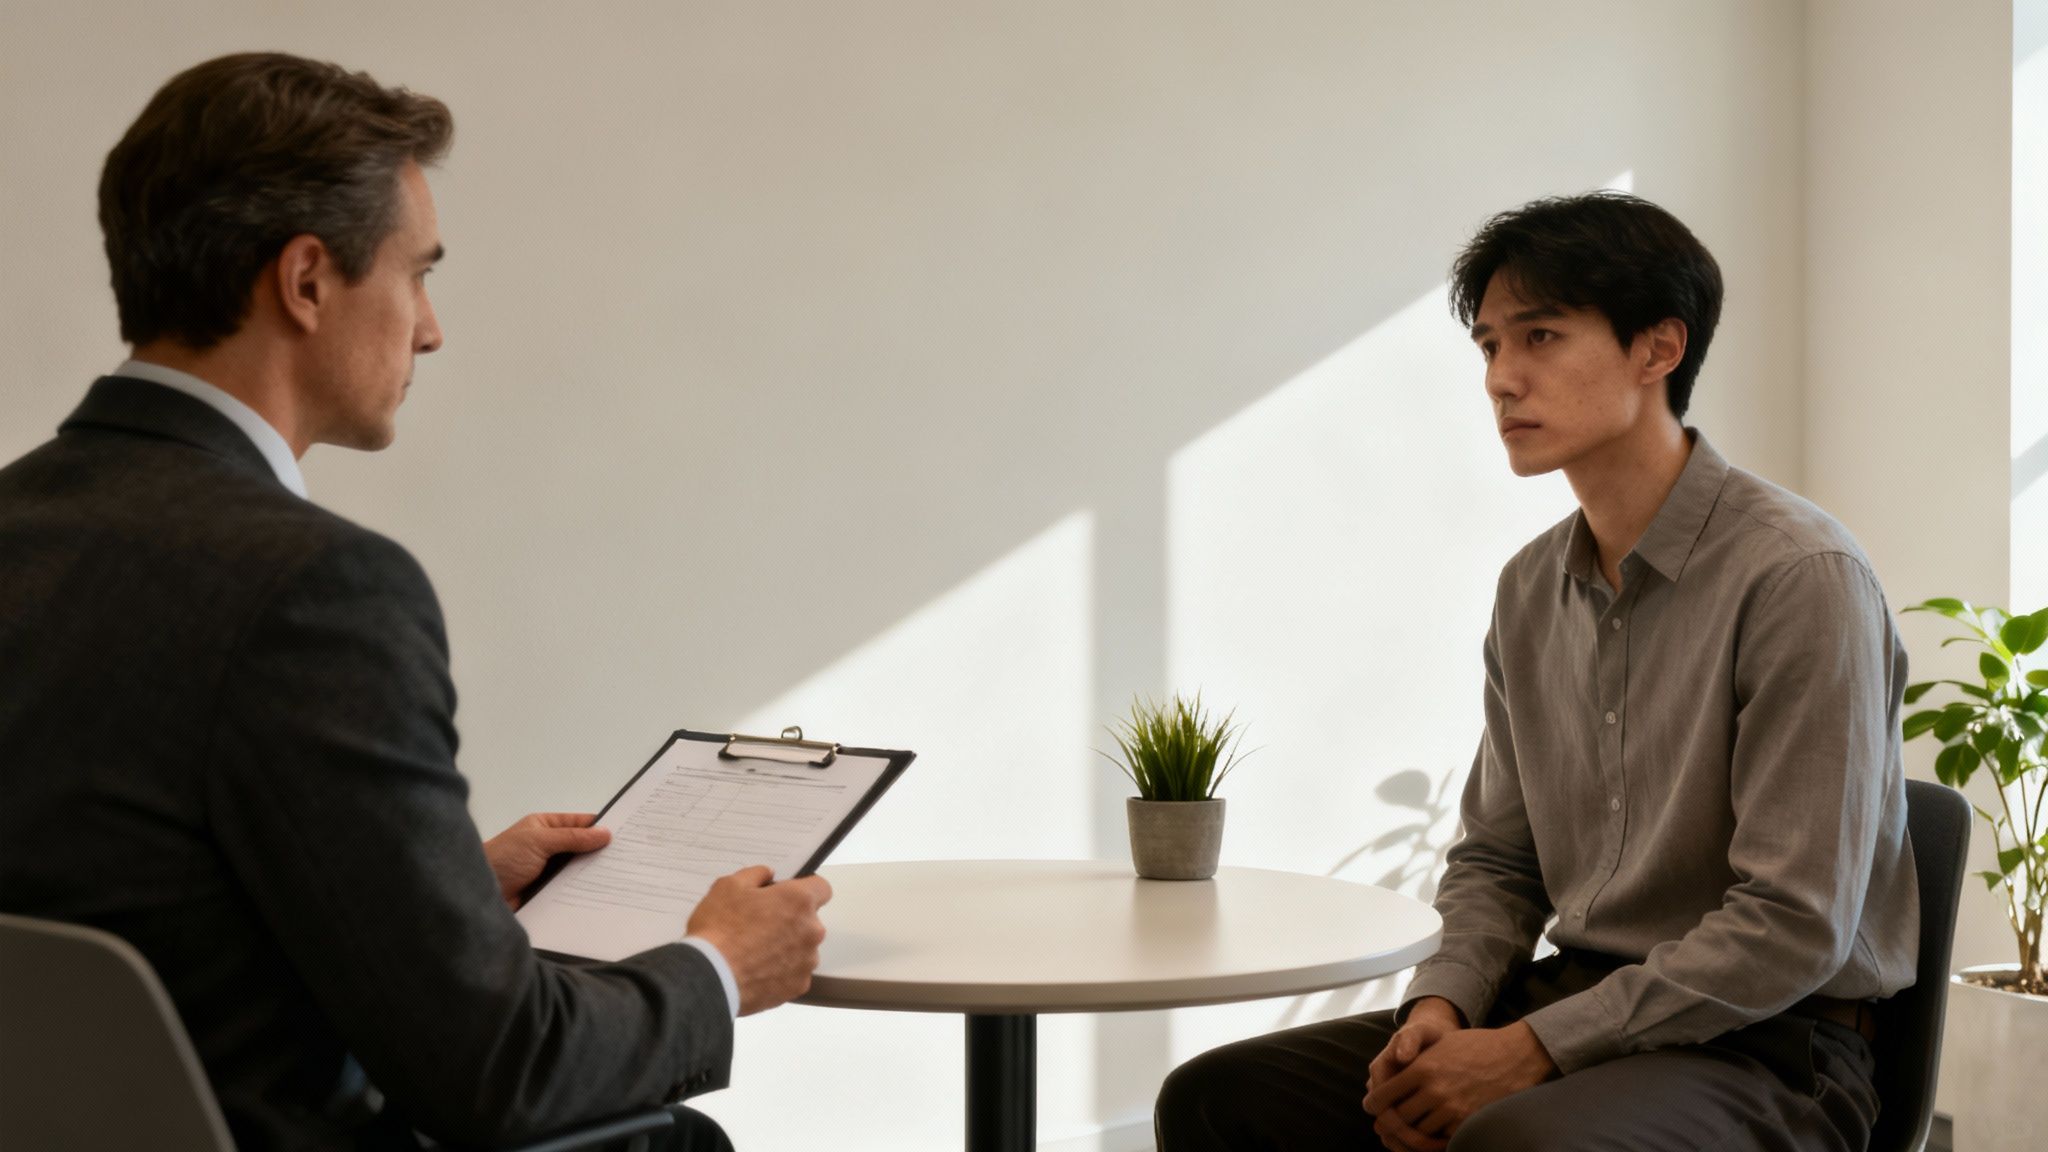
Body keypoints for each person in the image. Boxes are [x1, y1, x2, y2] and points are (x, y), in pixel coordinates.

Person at [0, 52, 830, 1151]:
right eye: (416, 274)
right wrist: (720, 968)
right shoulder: (314, 588)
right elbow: (500, 1073)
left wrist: (441, 889)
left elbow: (122, 879)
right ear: (305, 281)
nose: (430, 329)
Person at [1154, 192, 1919, 1152]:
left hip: (1772, 1047)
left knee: (1516, 1142)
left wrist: (1534, 1050)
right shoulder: (1531, 590)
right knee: (1219, 1099)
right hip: (1578, 1000)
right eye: (1487, 347)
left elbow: (1792, 924)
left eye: (1541, 337)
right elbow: (1498, 861)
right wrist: (1442, 1005)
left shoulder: (1801, 577)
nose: (1502, 380)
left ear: (1658, 349)